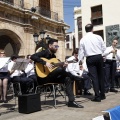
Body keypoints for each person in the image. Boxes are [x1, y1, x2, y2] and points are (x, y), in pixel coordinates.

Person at [30, 38, 84, 108]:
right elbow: (32, 56)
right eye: (56, 46)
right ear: (50, 46)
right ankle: (74, 77)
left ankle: (71, 101)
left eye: (57, 46)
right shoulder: (45, 52)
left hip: (51, 77)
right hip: (42, 78)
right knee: (59, 70)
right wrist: (45, 62)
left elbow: (55, 68)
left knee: (67, 78)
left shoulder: (53, 56)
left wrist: (63, 66)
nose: (57, 48)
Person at [78, 23, 106, 102]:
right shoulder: (98, 37)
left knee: (94, 77)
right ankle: (102, 94)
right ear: (92, 29)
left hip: (90, 58)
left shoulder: (83, 39)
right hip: (98, 56)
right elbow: (104, 48)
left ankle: (97, 96)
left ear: (85, 30)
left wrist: (80, 60)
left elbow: (81, 51)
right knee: (101, 76)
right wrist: (101, 54)